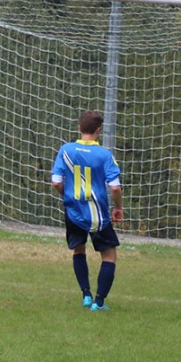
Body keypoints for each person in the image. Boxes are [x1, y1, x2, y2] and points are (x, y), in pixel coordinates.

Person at [51, 110, 123, 312]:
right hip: (96, 213)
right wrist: (118, 207)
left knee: (78, 249)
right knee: (109, 255)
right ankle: (98, 302)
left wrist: (67, 195)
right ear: (98, 130)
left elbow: (56, 182)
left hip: (73, 211)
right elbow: (115, 187)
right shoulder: (104, 155)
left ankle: (85, 295)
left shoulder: (66, 150)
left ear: (79, 128)